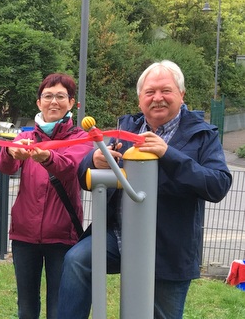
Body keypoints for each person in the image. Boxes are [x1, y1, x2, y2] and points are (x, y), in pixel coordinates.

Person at [57, 60, 233, 318]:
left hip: (168, 247)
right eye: (150, 92)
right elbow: (85, 176)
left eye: (166, 91)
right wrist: (93, 161)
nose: (157, 98)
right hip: (117, 236)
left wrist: (168, 154)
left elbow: (218, 185)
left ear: (182, 95)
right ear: (140, 98)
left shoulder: (202, 135)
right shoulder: (125, 129)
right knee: (77, 261)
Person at [0, 74, 93, 319]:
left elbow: (71, 168)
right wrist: (10, 153)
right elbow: (5, 168)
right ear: (39, 103)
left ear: (71, 103)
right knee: (26, 307)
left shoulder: (81, 138)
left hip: (62, 236)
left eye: (60, 96)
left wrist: (47, 158)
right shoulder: (26, 137)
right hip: (24, 235)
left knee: (58, 307)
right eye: (48, 96)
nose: (53, 102)